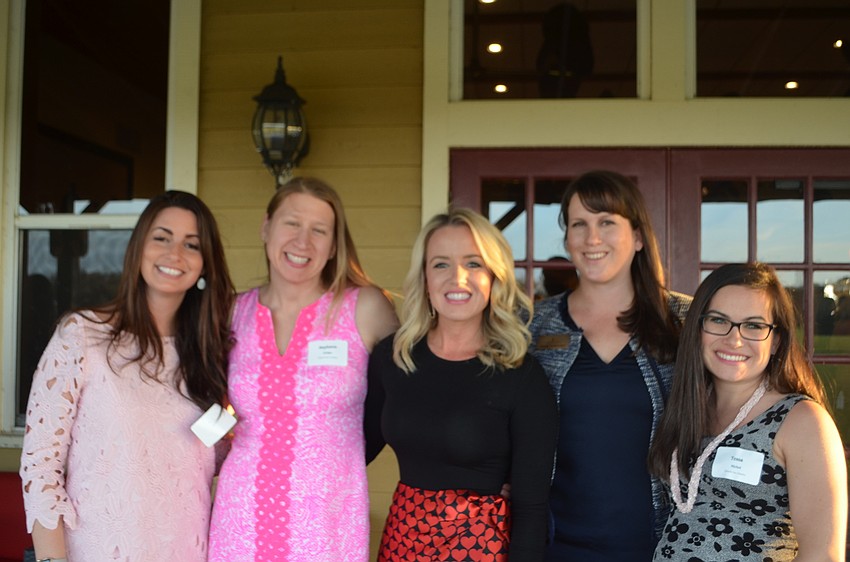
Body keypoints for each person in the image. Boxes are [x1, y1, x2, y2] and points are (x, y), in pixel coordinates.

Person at [20, 190, 235, 561]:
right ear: (138, 247)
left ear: (205, 264)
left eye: (192, 244)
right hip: (97, 549)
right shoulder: (83, 335)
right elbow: (40, 466)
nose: (175, 254)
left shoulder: (211, 352)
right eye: (162, 237)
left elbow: (217, 457)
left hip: (185, 550)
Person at [208, 177, 399, 562]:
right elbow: (206, 405)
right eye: (292, 223)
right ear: (266, 228)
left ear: (333, 247)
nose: (303, 241)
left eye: (319, 230)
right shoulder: (231, 313)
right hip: (240, 520)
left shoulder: (365, 309)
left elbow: (422, 387)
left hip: (326, 524)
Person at [365, 207, 558, 562]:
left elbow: (531, 510)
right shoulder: (393, 358)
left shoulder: (520, 376)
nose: (457, 278)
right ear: (423, 277)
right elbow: (352, 449)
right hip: (401, 544)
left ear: (494, 277)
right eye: (441, 264)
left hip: (479, 551)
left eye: (473, 264)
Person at [528, 170, 691, 561]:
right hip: (556, 545)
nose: (592, 238)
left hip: (660, 545)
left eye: (606, 222)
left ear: (637, 236)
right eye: (578, 224)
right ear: (567, 239)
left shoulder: (684, 320)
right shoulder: (534, 325)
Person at [648, 262, 847, 561]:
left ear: (776, 340)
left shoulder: (802, 421)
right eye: (718, 320)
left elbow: (823, 555)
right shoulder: (689, 408)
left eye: (754, 325)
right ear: (698, 329)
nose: (734, 338)